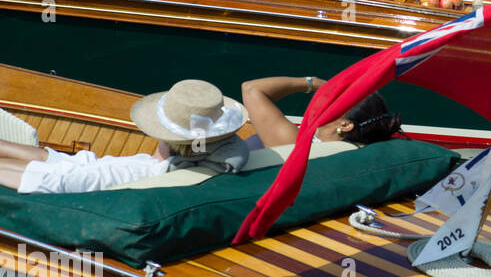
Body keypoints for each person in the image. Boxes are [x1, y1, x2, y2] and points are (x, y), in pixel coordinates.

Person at [0, 80, 249, 193]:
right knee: (57, 158)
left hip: (92, 176)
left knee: (58, 167)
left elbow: (53, 183)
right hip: (99, 165)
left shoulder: (141, 175)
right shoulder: (211, 159)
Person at [240, 75, 401, 149]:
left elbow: (252, 89)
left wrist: (312, 83)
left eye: (335, 100)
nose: (325, 98)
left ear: (344, 125)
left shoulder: (294, 144)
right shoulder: (351, 148)